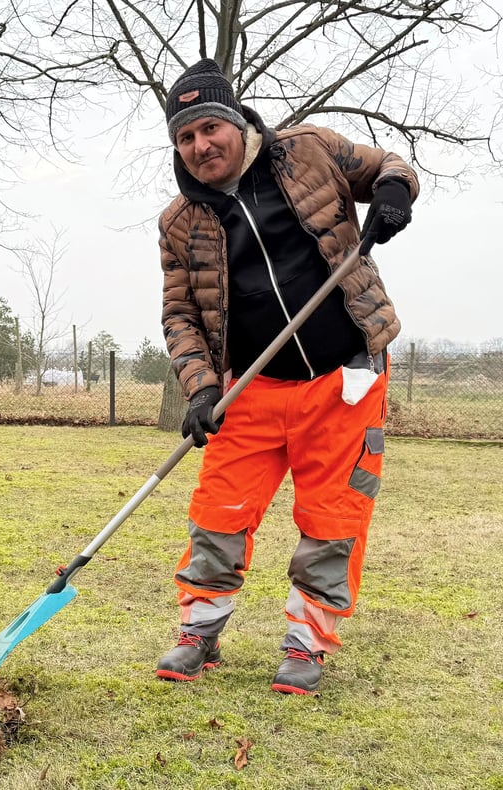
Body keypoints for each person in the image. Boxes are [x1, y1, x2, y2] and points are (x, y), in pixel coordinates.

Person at [154, 59, 418, 695]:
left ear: (236, 121)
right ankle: (199, 630)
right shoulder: (179, 222)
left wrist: (394, 194)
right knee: (218, 512)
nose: (200, 146)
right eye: (185, 137)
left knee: (333, 516)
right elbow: (180, 314)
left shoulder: (308, 151)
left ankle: (308, 640)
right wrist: (202, 388)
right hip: (250, 388)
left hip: (343, 380)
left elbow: (391, 165)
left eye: (210, 128)